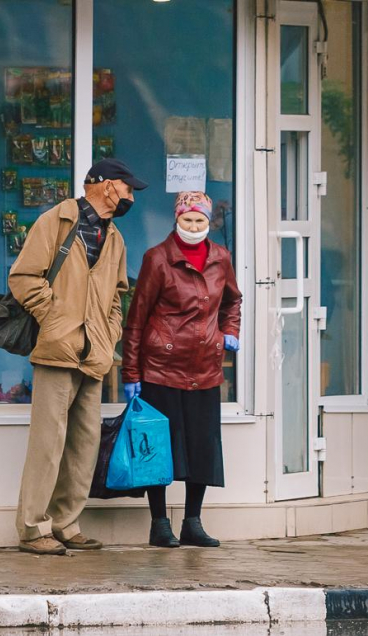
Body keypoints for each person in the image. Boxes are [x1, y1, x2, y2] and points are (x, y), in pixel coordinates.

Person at [9, 159, 148, 555]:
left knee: (84, 443)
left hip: (95, 353)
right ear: (106, 186)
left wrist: (108, 334)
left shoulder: (114, 236)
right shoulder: (57, 221)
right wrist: (53, 317)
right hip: (57, 349)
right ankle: (34, 528)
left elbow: (118, 295)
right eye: (128, 188)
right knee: (48, 443)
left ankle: (66, 522)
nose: (131, 197)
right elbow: (23, 277)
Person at [122, 191, 242, 549]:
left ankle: (193, 521)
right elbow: (137, 317)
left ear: (209, 223)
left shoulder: (221, 257)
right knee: (158, 449)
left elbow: (233, 300)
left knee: (202, 447)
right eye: (187, 220)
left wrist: (230, 332)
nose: (193, 226)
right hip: (161, 368)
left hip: (205, 367)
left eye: (200, 221)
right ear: (176, 221)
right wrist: (131, 373)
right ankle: (159, 523)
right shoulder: (157, 258)